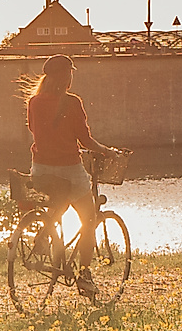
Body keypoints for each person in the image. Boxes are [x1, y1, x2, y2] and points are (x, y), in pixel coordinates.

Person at [22, 54, 120, 295]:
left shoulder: (34, 102)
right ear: (66, 76)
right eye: (70, 73)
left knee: (59, 202)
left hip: (41, 168)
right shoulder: (73, 102)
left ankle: (44, 235)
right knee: (88, 219)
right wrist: (107, 151)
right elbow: (84, 139)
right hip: (69, 168)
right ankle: (85, 276)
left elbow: (35, 130)